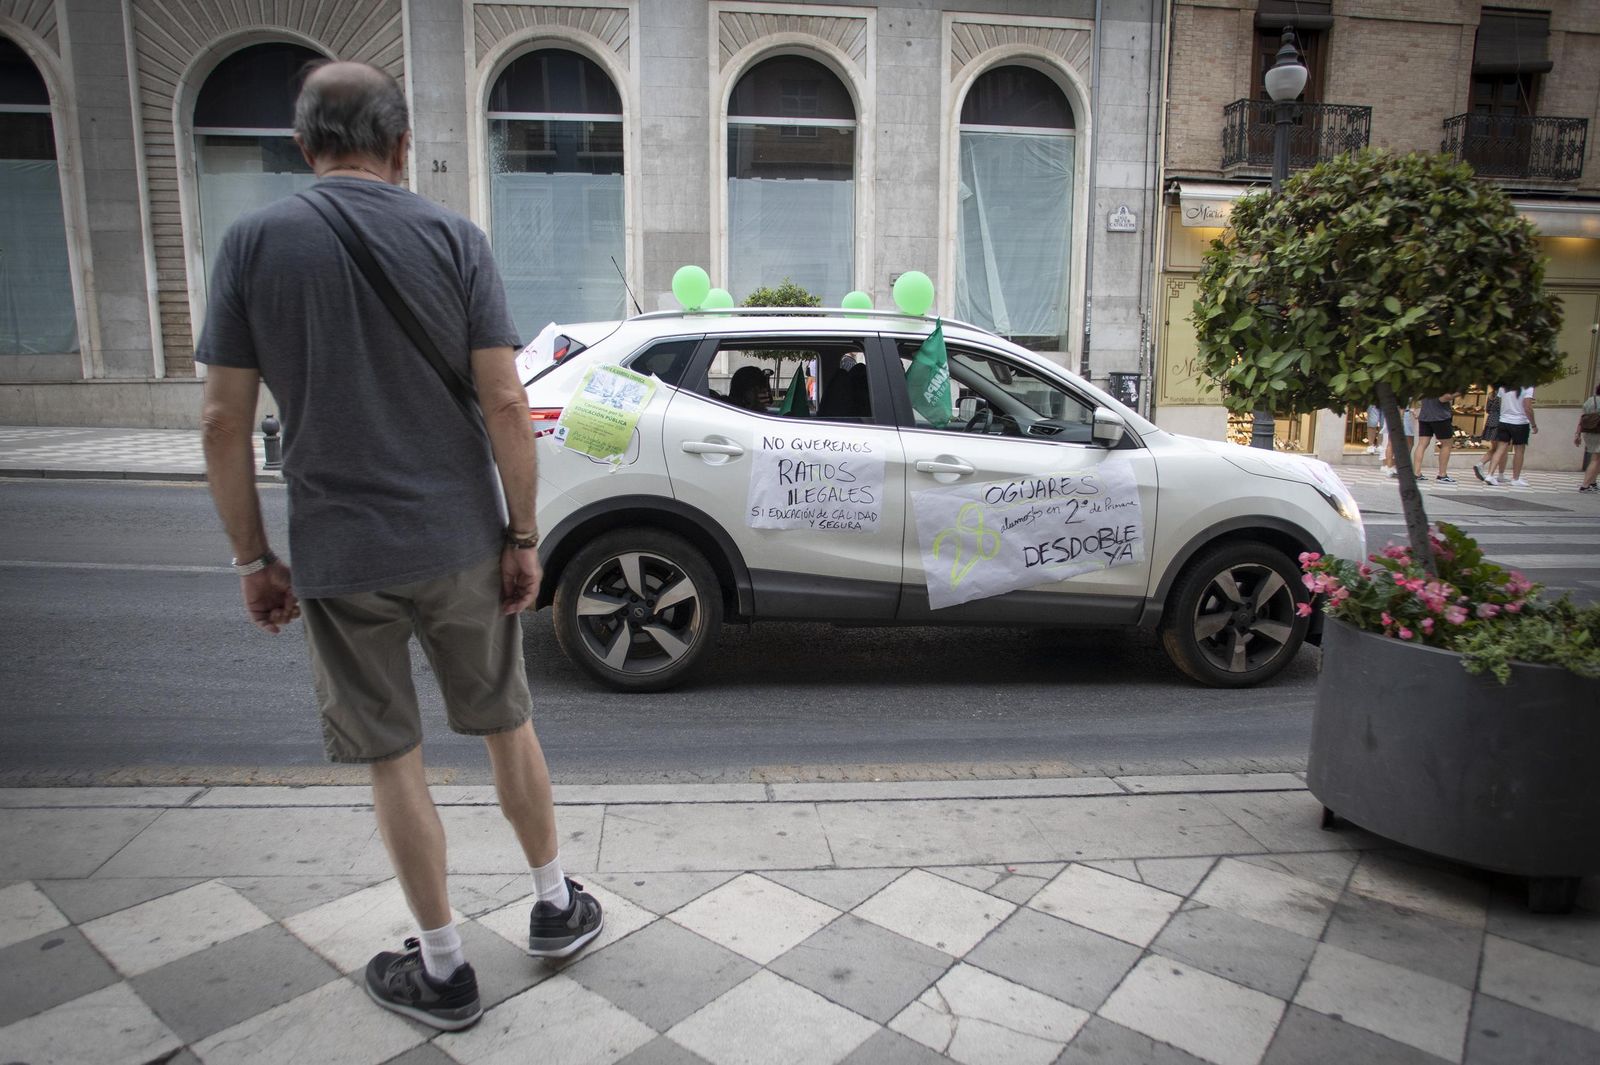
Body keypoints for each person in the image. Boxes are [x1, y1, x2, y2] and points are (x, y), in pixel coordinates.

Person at [196, 61, 601, 1032]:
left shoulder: (252, 244)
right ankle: (554, 906)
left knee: (394, 758)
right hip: (458, 537)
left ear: (304, 146)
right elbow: (506, 402)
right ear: (403, 144)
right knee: (506, 723)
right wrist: (522, 536)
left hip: (339, 550)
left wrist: (254, 559)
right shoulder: (454, 238)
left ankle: (446, 967)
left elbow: (221, 420)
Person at [1484, 385, 1537, 487]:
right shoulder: (1528, 387)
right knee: (1519, 450)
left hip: (1504, 420)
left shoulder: (1504, 386)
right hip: (1520, 422)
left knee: (1500, 449)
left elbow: (1500, 402)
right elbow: (1528, 407)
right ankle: (1515, 478)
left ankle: (1490, 475)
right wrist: (1533, 424)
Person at [1412, 393, 1457, 483]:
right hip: (1440, 416)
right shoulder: (1440, 386)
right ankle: (1442, 474)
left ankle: (1416, 473)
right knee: (1447, 444)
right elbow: (1443, 398)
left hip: (1425, 416)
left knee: (1422, 444)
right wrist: (1459, 392)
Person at [1577, 384, 1600, 493]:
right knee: (1596, 459)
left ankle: (1593, 482)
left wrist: (1577, 434)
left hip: (1588, 432)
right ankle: (1585, 485)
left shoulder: (1590, 400)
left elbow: (1582, 418)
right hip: (1598, 432)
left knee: (1596, 458)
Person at [1381, 406, 1415, 478]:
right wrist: (1401, 418)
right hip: (1402, 414)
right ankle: (1398, 466)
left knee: (1391, 441)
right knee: (1409, 442)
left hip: (1391, 413)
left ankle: (1390, 467)